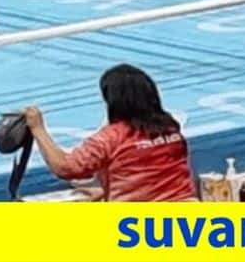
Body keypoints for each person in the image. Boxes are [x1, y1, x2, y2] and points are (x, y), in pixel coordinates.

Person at [22, 64, 197, 201]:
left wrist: (38, 129)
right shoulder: (171, 129)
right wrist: (107, 190)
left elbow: (66, 167)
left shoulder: (112, 138)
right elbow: (156, 181)